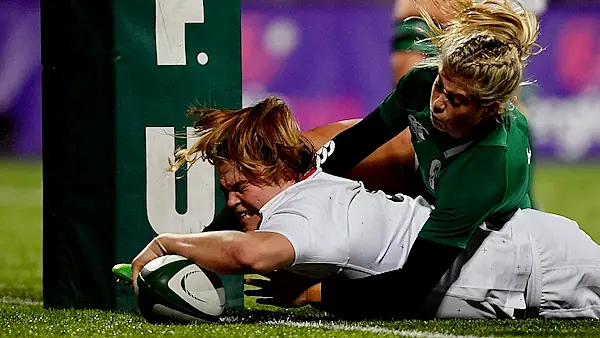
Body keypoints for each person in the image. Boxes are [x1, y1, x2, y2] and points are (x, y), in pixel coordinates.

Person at [130, 97, 600, 319]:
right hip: (517, 284)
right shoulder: (310, 184)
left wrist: (167, 243)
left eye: (240, 187)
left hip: (540, 262)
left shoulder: (302, 210)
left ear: (280, 169)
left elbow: (248, 255)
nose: (232, 202)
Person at [256, 0, 543, 319]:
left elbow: (410, 290)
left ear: (489, 110)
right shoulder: (421, 83)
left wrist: (313, 293)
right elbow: (356, 143)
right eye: (441, 86)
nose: (437, 104)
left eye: (456, 100)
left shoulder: (489, 167)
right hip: (437, 203)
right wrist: (292, 192)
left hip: (498, 246)